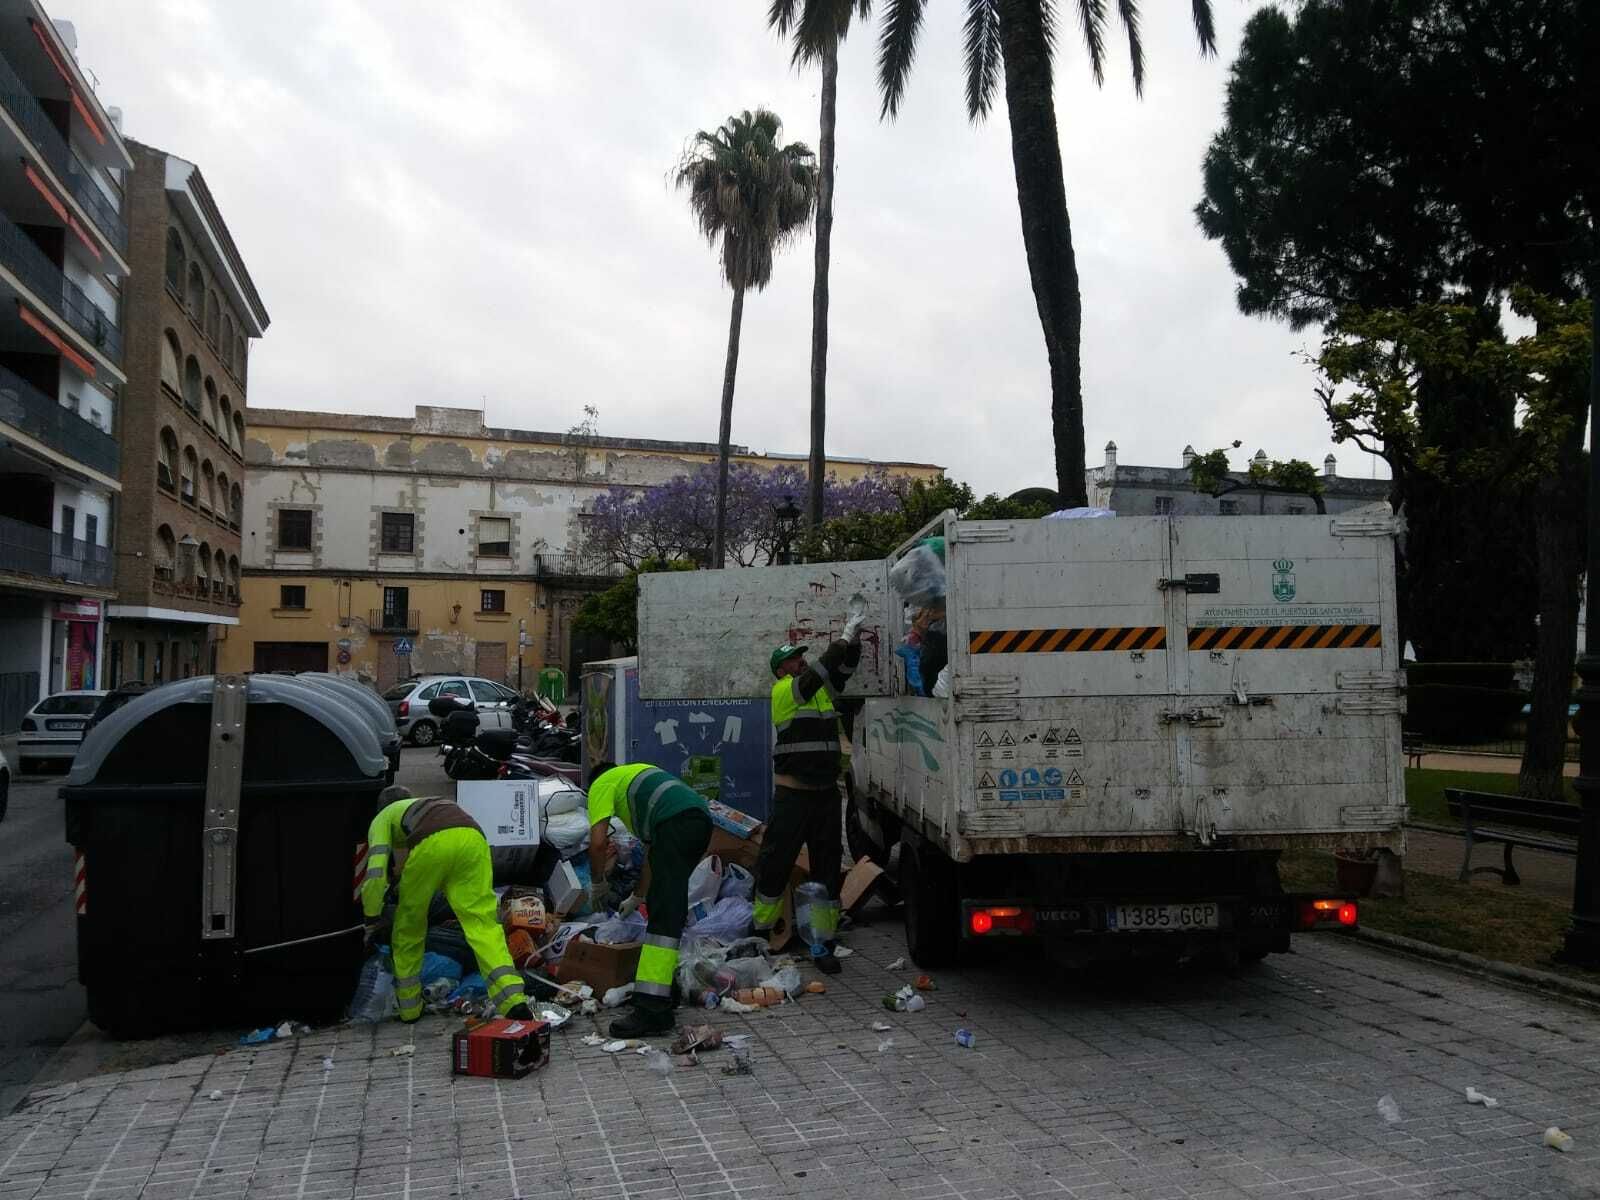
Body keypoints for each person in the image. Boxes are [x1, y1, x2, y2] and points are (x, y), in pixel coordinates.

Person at [362, 787, 532, 1024]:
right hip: (473, 839)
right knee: (483, 926)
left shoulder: (382, 817)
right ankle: (514, 1001)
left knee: (409, 926)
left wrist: (371, 917)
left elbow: (376, 873)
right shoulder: (425, 804)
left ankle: (409, 1009)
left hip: (433, 843)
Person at [755, 610, 865, 971]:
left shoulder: (818, 694)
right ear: (781, 669)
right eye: (793, 659)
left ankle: (823, 940)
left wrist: (856, 642)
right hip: (794, 793)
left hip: (825, 793)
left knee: (827, 866)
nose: (800, 661)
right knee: (776, 860)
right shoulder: (786, 691)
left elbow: (842, 673)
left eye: (801, 656)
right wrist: (843, 637)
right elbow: (822, 670)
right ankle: (760, 930)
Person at [586, 761, 712, 1036]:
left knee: (665, 914)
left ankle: (652, 1009)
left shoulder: (601, 784)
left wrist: (597, 883)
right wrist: (638, 896)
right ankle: (667, 990)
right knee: (663, 902)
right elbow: (653, 856)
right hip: (699, 822)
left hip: (677, 825)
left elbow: (597, 842)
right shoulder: (637, 775)